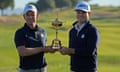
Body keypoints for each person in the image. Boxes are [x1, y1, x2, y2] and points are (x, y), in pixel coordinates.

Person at [59, 1, 100, 72]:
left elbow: (90, 51)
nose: (80, 15)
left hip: (88, 69)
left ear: (89, 14)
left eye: (83, 12)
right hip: (74, 69)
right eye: (78, 12)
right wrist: (65, 51)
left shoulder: (92, 30)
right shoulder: (72, 31)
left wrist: (70, 50)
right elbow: (73, 51)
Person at [14, 4, 55, 72]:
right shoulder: (20, 32)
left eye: (33, 14)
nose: (30, 17)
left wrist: (50, 48)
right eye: (28, 15)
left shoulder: (42, 31)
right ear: (24, 16)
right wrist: (42, 49)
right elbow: (22, 52)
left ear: (37, 16)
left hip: (42, 69)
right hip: (26, 70)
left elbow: (43, 48)